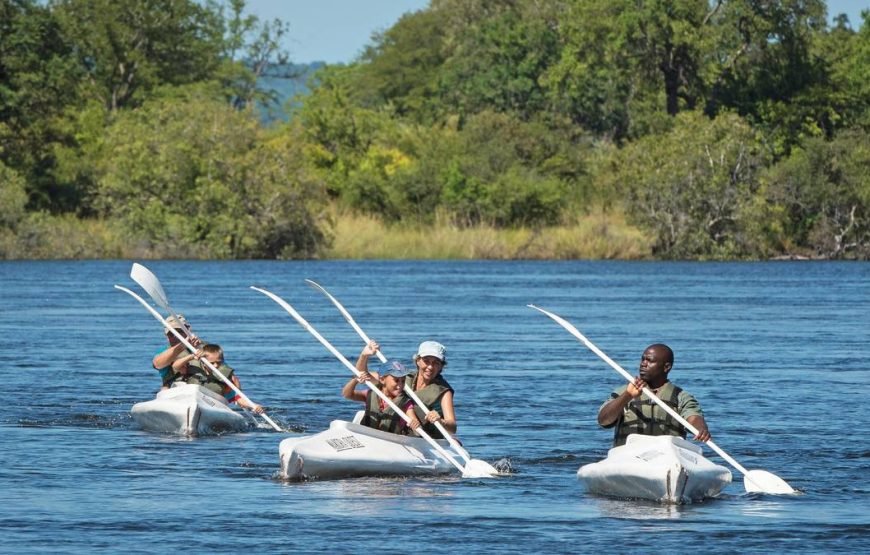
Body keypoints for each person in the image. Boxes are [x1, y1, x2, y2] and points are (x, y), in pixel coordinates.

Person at [597, 343, 711, 447]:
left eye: (649, 361)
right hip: (630, 455)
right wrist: (627, 395)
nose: (643, 364)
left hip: (666, 455)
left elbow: (694, 417)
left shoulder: (681, 397)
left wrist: (700, 429)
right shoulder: (624, 392)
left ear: (666, 367)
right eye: (643, 360)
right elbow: (603, 420)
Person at [342, 340, 413, 435]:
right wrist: (355, 380)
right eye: (396, 380)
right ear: (382, 380)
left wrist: (414, 422)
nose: (400, 385)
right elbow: (347, 394)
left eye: (403, 381)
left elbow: (412, 418)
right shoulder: (372, 394)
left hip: (392, 441)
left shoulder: (405, 402)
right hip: (368, 437)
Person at [172, 343, 263, 413]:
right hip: (189, 403)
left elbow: (238, 398)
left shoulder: (224, 378)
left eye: (218, 362)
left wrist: (253, 406)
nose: (215, 366)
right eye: (211, 363)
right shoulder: (192, 369)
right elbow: (176, 366)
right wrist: (192, 356)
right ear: (203, 361)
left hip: (212, 407)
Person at [404, 340, 456, 439]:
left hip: (426, 437)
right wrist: (365, 357)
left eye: (436, 363)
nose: (430, 367)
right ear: (418, 361)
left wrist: (440, 421)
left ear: (441, 366)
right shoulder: (403, 377)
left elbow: (452, 427)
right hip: (401, 431)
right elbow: (370, 377)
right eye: (426, 361)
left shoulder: (444, 391)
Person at [151, 314, 201, 390]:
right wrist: (184, 344)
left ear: (188, 330)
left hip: (201, 391)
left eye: (180, 331)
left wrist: (199, 348)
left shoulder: (205, 347)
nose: (176, 336)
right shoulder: (164, 352)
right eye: (171, 333)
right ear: (166, 335)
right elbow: (157, 364)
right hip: (174, 391)